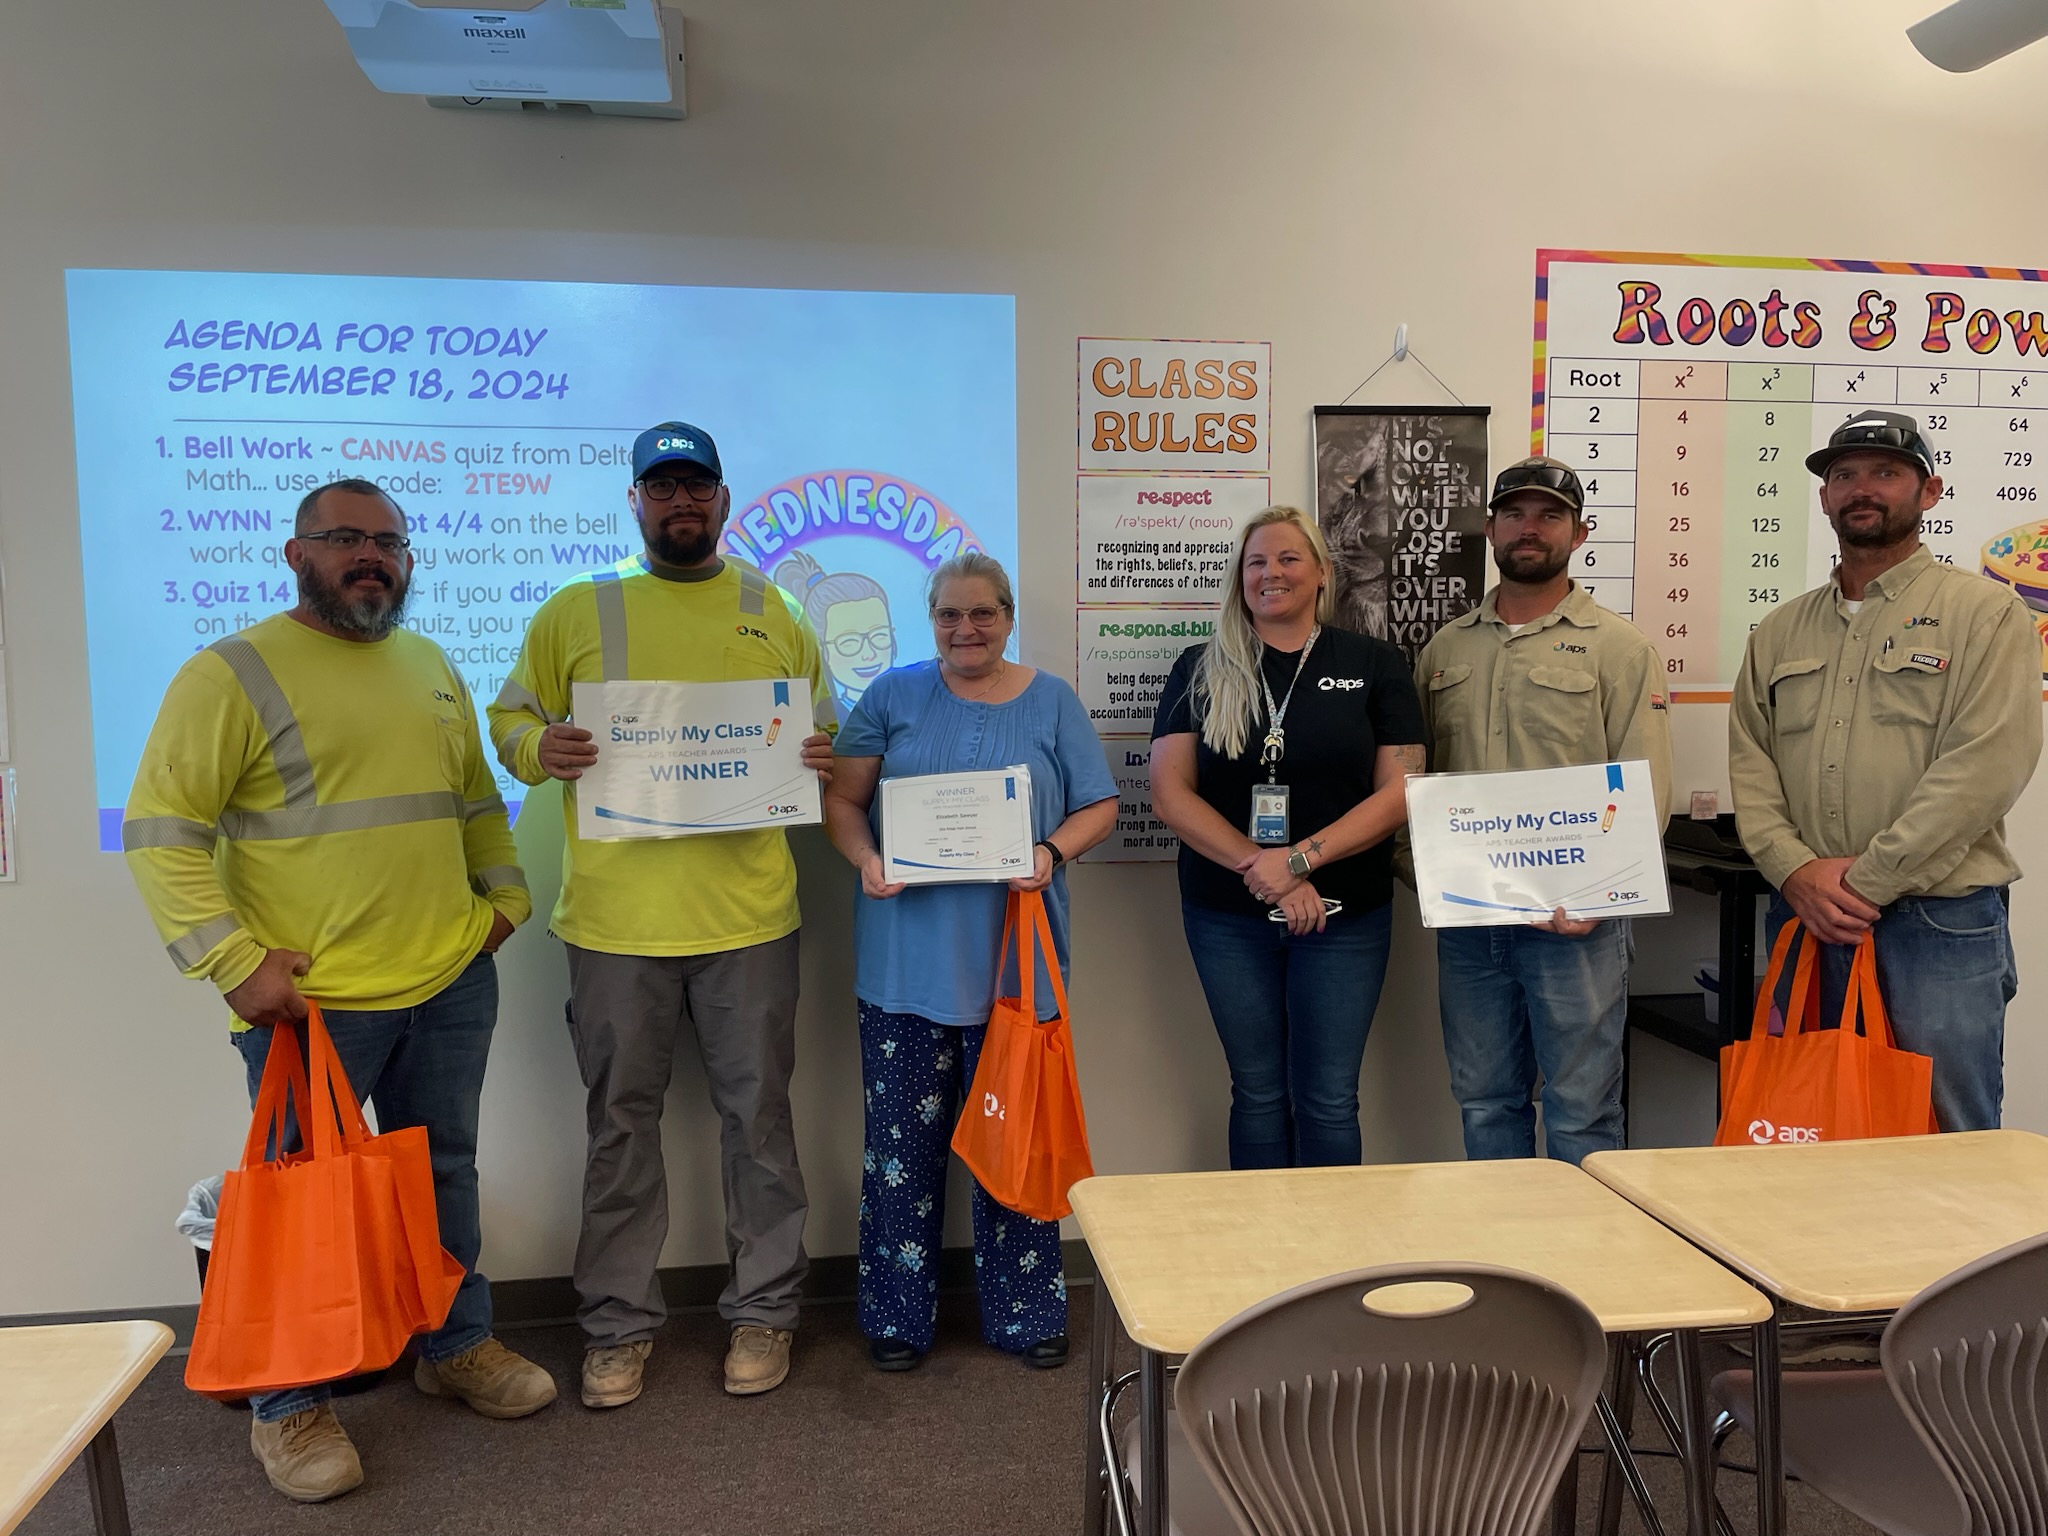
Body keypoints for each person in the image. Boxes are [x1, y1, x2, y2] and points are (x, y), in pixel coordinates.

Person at [123, 477, 553, 1504]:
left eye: (389, 543)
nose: (370, 557)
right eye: (346, 540)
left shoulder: (430, 663)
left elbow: (473, 805)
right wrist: (234, 962)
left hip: (447, 977)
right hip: (310, 1009)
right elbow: (160, 830)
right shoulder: (229, 671)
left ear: (410, 561)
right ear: (295, 554)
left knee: (443, 1169)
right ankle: (287, 1407)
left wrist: (502, 899)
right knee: (297, 1210)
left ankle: (455, 1346)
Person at [487, 421, 836, 1409]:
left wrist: (818, 757)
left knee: (759, 1128)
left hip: (749, 923)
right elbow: (510, 717)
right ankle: (614, 1330)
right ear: (633, 502)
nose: (679, 502)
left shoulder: (777, 610)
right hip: (611, 930)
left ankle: (763, 1314)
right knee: (618, 1133)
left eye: (697, 487)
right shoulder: (575, 611)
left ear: (723, 501)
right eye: (660, 487)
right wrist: (535, 750)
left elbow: (826, 730)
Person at [821, 552, 1118, 1371]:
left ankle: (1026, 1314)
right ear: (933, 620)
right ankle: (896, 1319)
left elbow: (1102, 803)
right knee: (899, 1153)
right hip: (903, 968)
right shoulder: (890, 696)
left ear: (1009, 615)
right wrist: (864, 858)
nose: (966, 629)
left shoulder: (1052, 700)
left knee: (1016, 1145)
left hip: (1015, 973)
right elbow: (843, 800)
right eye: (950, 615)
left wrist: (1053, 850)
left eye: (982, 613)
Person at [1730, 409, 2042, 1132]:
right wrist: (1796, 871)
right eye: (1844, 475)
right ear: (1825, 498)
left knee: (1950, 1134)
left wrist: (1866, 880)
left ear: (1928, 492)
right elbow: (1751, 762)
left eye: (1886, 472)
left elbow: (1987, 764)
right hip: (1804, 916)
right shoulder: (1780, 631)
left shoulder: (1987, 613)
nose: (1861, 488)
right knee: (1815, 1131)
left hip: (1938, 921)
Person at [1412, 455, 1672, 1165]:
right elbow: (1417, 778)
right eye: (1516, 514)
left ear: (1579, 533)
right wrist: (1428, 875)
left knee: (1582, 1109)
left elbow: (1644, 785)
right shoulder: (1444, 648)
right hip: (1473, 925)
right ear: (1489, 528)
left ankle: (1581, 1269)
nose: (1531, 530)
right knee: (1485, 1101)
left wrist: (1601, 891)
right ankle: (1505, 1264)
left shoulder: (1619, 648)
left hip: (1575, 925)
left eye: (1550, 516)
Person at [1149, 506, 1425, 1169]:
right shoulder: (1200, 667)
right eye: (1256, 562)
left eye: (1287, 558)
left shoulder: (1375, 663)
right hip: (1227, 914)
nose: (1271, 573)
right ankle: (1260, 1257)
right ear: (1239, 579)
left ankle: (1330, 1262)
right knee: (1258, 1092)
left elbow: (1402, 791)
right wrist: (1261, 866)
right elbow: (1169, 791)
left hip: (1346, 914)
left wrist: (1301, 861)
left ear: (1323, 574)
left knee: (1329, 1097)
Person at [774, 549, 899, 713]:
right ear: (820, 647)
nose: (869, 654)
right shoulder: (821, 720)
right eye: (849, 642)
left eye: (879, 635)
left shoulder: (918, 705)